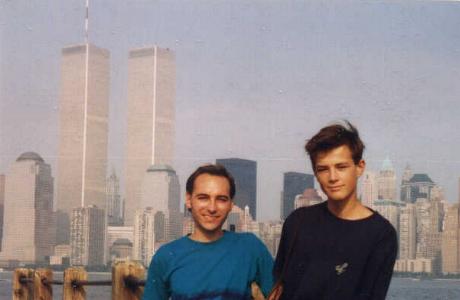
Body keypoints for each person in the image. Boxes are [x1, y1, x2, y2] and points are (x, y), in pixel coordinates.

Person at [272, 121, 397, 300]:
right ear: (316, 174)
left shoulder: (381, 234)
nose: (332, 177)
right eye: (323, 169)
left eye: (341, 167)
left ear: (359, 167)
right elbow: (279, 288)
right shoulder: (297, 221)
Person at [143, 164, 274, 300]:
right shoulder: (166, 256)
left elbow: (279, 293)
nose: (212, 208)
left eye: (221, 199)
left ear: (231, 205)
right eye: (203, 198)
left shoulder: (250, 247)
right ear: (189, 201)